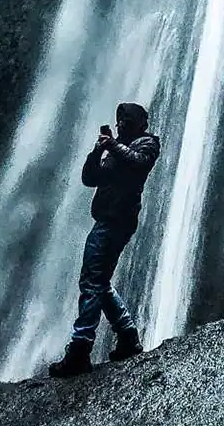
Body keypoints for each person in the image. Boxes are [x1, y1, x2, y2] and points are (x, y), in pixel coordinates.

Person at [48, 102, 161, 378]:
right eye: (119, 119)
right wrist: (98, 149)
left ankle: (80, 348)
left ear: (141, 123)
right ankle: (127, 336)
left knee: (92, 282)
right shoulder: (116, 148)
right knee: (99, 282)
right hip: (106, 219)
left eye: (127, 119)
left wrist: (112, 146)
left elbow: (139, 163)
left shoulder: (148, 144)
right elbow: (90, 178)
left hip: (117, 221)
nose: (121, 123)